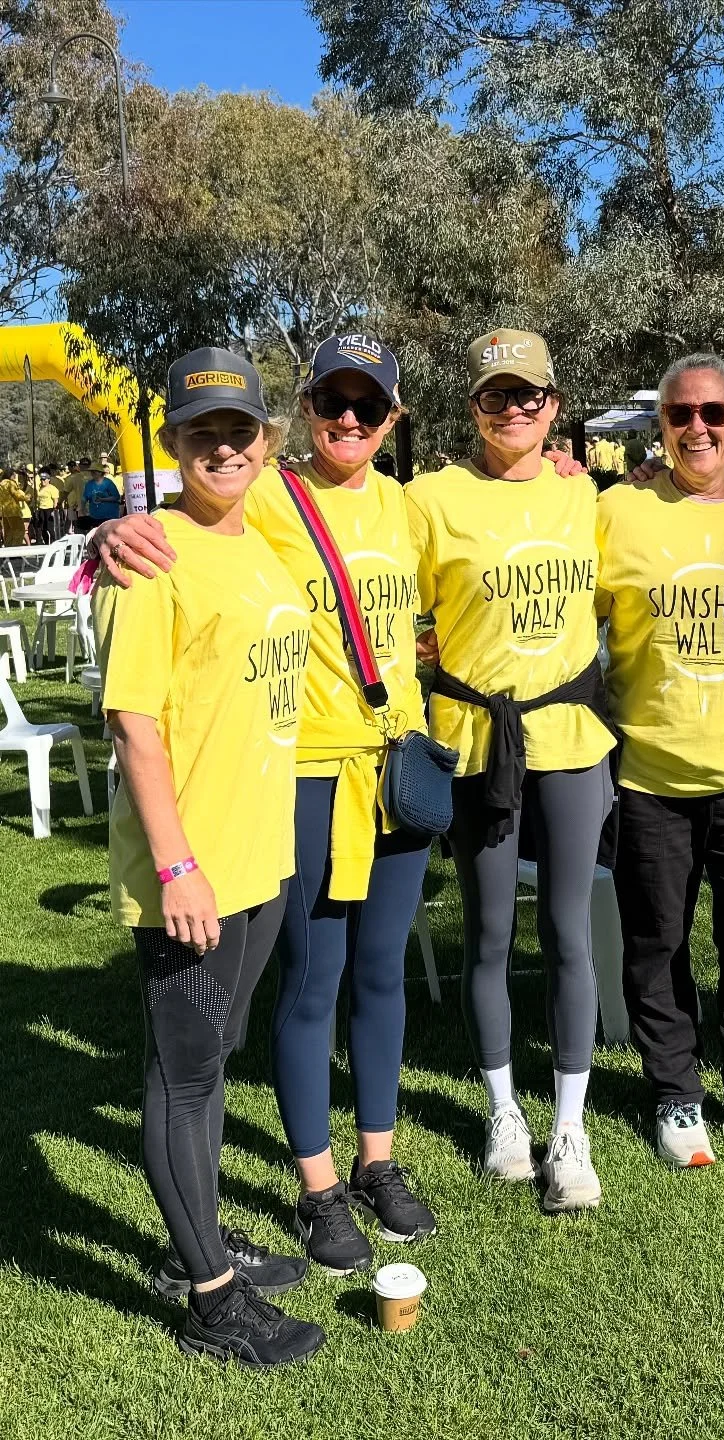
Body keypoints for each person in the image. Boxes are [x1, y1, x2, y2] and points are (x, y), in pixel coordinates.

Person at [89, 334, 438, 1277]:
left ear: (393, 418)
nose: (352, 420)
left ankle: (373, 1164)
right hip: (293, 790)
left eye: (371, 406)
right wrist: (106, 533)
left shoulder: (408, 504)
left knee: (372, 979)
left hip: (376, 778)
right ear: (307, 412)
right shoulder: (265, 493)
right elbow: (140, 688)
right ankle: (306, 1198)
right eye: (335, 400)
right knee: (294, 996)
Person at [92, 348, 322, 1367]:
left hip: (259, 854)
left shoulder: (262, 543)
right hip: (195, 870)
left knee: (213, 1060)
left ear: (267, 441)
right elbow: (134, 725)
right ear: (174, 446)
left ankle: (202, 1240)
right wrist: (179, 867)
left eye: (240, 429)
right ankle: (212, 1302)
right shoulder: (150, 559)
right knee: (182, 1079)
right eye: (201, 433)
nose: (223, 446)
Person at [408, 329, 614, 1213]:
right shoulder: (430, 498)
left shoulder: (590, 498)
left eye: (528, 396)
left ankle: (570, 1128)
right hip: (476, 743)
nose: (513, 411)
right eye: (495, 397)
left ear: (554, 407)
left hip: (569, 741)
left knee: (568, 930)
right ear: (473, 408)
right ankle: (503, 1114)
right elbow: (369, 570)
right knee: (490, 933)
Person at [598, 354, 724, 1167]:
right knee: (657, 945)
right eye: (680, 415)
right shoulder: (617, 511)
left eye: (714, 413)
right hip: (652, 773)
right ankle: (676, 1093)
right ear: (660, 424)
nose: (697, 429)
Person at [85, 460, 124, 525]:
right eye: (91, 471)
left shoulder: (108, 483)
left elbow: (116, 497)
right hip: (95, 516)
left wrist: (102, 499)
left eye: (94, 471)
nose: (92, 473)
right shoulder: (89, 484)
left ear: (100, 472)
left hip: (109, 516)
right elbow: (85, 497)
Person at [34, 469, 60, 545]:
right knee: (42, 527)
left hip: (49, 509)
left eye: (44, 479)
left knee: (50, 527)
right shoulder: (40, 488)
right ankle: (46, 542)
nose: (43, 481)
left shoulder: (52, 488)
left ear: (48, 480)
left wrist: (54, 510)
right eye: (41, 479)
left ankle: (54, 542)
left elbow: (55, 501)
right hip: (41, 509)